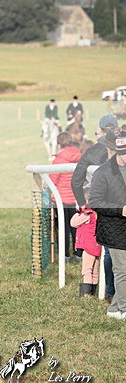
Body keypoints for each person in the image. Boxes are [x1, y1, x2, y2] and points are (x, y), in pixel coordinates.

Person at [71, 114, 119, 300]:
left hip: (99, 206)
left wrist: (83, 204)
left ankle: (109, 292)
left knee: (107, 249)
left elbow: (76, 180)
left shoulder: (91, 152)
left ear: (100, 131)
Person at [89, 127, 126, 319]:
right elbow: (94, 202)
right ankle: (123, 309)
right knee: (121, 270)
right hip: (113, 228)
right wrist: (121, 209)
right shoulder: (103, 173)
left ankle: (114, 309)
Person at [50, 132, 82, 260]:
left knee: (63, 228)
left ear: (59, 143)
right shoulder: (79, 157)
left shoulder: (58, 160)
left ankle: (65, 255)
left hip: (61, 199)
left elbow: (53, 180)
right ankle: (78, 253)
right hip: (76, 198)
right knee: (76, 227)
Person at [71, 184, 101, 297]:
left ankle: (86, 295)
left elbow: (73, 223)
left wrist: (78, 213)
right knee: (95, 270)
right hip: (97, 245)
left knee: (87, 270)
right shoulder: (97, 212)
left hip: (88, 247)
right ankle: (93, 292)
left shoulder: (86, 213)